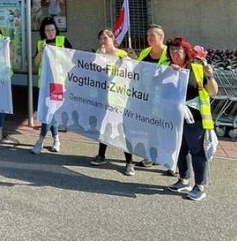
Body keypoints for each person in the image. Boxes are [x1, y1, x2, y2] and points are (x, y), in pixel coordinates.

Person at [166, 37, 218, 201]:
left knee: (197, 152)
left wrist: (209, 76)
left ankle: (200, 186)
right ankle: (183, 180)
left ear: (185, 52)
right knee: (180, 150)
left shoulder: (195, 69)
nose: (174, 53)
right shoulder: (168, 69)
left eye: (178, 50)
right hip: (176, 118)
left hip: (195, 118)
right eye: (172, 50)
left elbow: (213, 91)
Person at [89, 29, 136, 174]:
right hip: (103, 96)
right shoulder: (99, 53)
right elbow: (96, 69)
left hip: (119, 98)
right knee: (104, 125)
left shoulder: (121, 54)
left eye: (106, 38)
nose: (103, 41)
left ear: (112, 38)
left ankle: (129, 162)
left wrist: (131, 57)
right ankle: (101, 155)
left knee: (123, 129)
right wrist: (101, 55)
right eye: (101, 38)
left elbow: (131, 71)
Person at [31, 17, 72, 153]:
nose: (50, 33)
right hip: (44, 84)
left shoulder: (62, 41)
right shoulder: (40, 44)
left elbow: (71, 59)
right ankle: (56, 139)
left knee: (50, 112)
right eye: (47, 30)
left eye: (53, 30)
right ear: (43, 31)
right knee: (49, 112)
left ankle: (40, 140)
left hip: (58, 84)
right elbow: (35, 64)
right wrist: (41, 51)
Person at [135, 23, 171, 169]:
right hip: (147, 98)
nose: (149, 38)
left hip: (165, 100)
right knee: (150, 129)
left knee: (165, 130)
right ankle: (151, 156)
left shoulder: (169, 53)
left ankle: (169, 161)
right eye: (148, 35)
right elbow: (137, 70)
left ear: (161, 37)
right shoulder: (145, 52)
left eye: (152, 36)